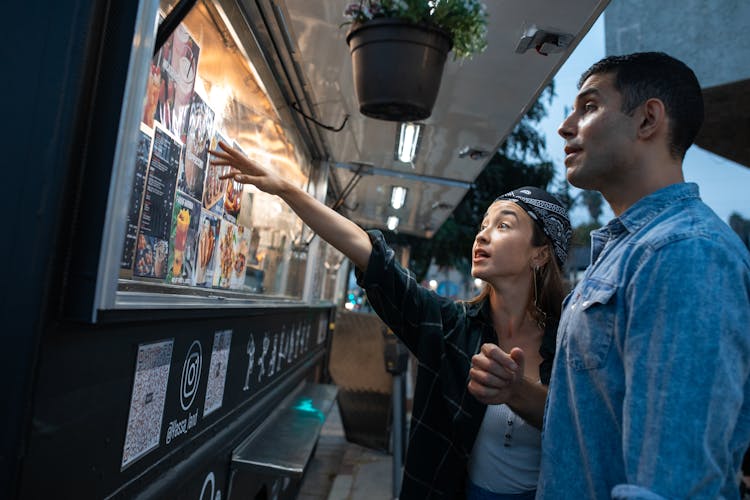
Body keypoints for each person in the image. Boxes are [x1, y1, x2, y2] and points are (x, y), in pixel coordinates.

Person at [210, 143, 571, 498]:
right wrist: (287, 189)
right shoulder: (451, 326)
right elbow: (369, 254)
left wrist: (516, 392)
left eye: (504, 226)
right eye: (483, 224)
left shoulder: (572, 339)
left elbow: (583, 428)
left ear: (540, 254)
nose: (483, 234)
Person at [470, 51, 750, 498]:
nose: (565, 126)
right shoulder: (625, 251)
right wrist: (517, 392)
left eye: (589, 107)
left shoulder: (684, 252)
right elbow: (589, 425)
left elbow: (671, 485)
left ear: (647, 120)